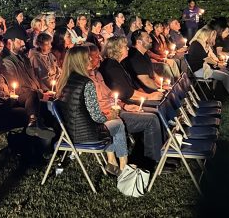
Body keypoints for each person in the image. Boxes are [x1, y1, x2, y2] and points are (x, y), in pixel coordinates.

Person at [86, 43, 163, 165]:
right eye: (96, 56)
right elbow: (96, 107)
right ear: (87, 58)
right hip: (109, 117)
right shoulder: (88, 79)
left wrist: (125, 106)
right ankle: (152, 160)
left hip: (118, 109)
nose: (99, 58)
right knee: (152, 119)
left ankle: (148, 152)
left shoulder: (98, 74)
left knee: (156, 112)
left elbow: (112, 96)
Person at [56, 45, 128, 174]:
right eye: (87, 57)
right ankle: (123, 166)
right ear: (80, 62)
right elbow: (96, 117)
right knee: (118, 123)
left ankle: (112, 162)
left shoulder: (64, 81)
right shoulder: (87, 83)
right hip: (87, 134)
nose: (91, 59)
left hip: (68, 133)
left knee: (110, 124)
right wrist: (110, 117)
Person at [0, 28, 55, 139]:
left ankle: (47, 142)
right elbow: (16, 88)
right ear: (10, 42)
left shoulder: (23, 56)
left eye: (24, 40)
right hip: (24, 98)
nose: (24, 43)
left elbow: (34, 77)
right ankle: (45, 145)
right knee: (52, 109)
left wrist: (45, 91)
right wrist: (40, 94)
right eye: (20, 41)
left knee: (58, 102)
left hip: (37, 93)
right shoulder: (5, 61)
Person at [99, 36, 163, 103]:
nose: (128, 48)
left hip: (133, 96)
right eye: (125, 46)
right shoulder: (111, 67)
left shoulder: (119, 63)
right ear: (117, 49)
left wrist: (146, 93)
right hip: (124, 102)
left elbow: (132, 83)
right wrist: (149, 96)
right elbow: (127, 92)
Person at [187, 28, 229, 96]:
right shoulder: (196, 44)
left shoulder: (203, 44)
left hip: (204, 67)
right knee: (225, 76)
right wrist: (217, 64)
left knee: (226, 72)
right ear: (205, 35)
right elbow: (206, 58)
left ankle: (217, 92)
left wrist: (217, 63)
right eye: (210, 36)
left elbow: (209, 57)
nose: (211, 38)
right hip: (198, 70)